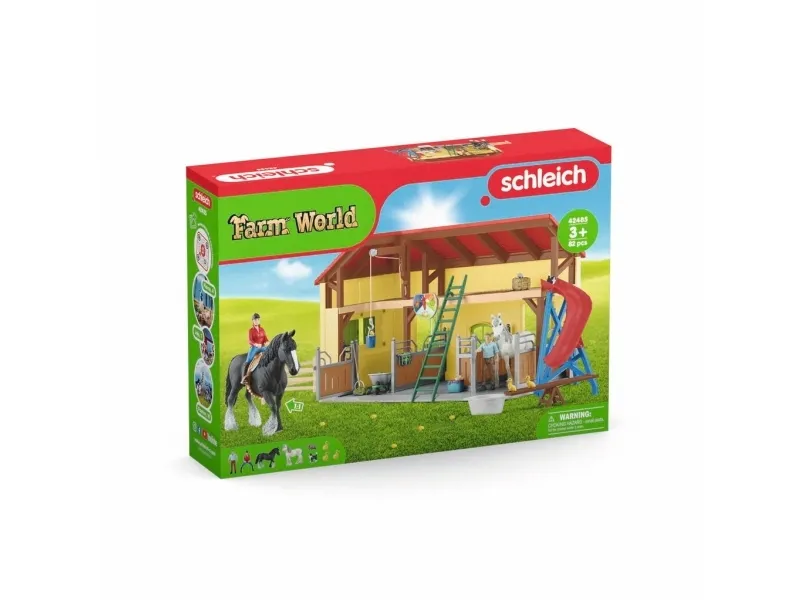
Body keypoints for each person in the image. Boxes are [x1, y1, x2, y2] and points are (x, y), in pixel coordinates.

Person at [242, 313, 269, 384]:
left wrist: (267, 342)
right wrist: (256, 344)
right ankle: (244, 377)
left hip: (262, 347)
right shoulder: (251, 330)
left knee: (271, 353)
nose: (257, 321)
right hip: (254, 348)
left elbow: (265, 338)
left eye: (258, 320)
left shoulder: (262, 329)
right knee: (248, 360)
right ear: (253, 321)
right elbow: (250, 340)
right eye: (255, 320)